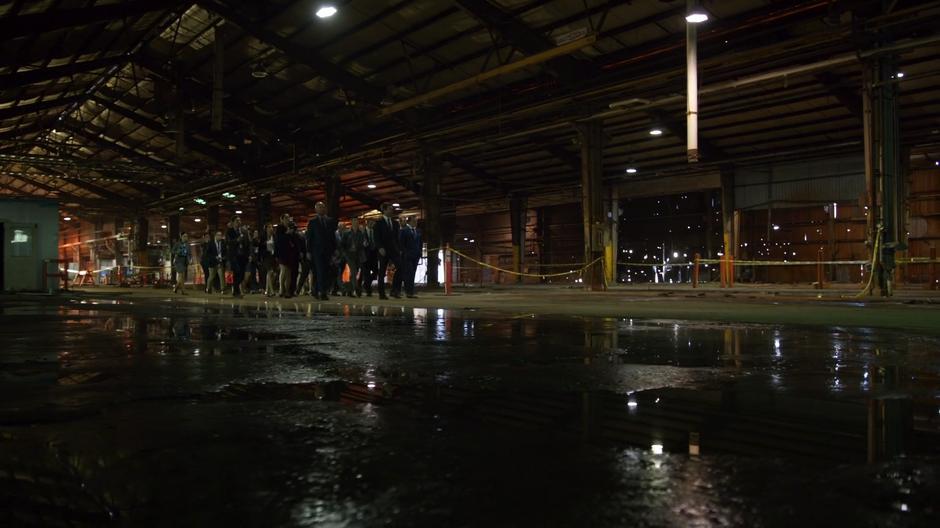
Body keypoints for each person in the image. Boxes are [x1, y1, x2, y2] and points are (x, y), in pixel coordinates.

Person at [306, 201, 338, 301]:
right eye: (320, 207)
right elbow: (309, 238)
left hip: (328, 250)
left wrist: (334, 250)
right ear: (316, 210)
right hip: (317, 251)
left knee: (327, 271)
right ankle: (322, 292)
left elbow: (333, 237)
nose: (322, 209)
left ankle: (316, 290)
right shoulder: (312, 222)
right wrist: (308, 251)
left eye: (323, 207)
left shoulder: (330, 221)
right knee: (319, 271)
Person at [374, 202, 401, 299]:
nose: (391, 210)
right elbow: (376, 237)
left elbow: (397, 238)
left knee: (401, 268)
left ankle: (395, 290)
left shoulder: (395, 223)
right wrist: (380, 247)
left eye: (392, 209)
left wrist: (399, 249)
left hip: (394, 250)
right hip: (383, 250)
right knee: (382, 272)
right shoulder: (378, 223)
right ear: (384, 210)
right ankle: (382, 293)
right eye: (389, 209)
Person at [338, 219, 365, 296]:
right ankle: (356, 288)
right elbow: (342, 244)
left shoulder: (360, 233)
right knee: (353, 271)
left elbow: (361, 245)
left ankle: (349, 290)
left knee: (355, 273)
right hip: (349, 255)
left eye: (357, 222)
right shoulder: (347, 233)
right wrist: (344, 253)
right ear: (352, 223)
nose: (356, 223)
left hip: (357, 255)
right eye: (354, 222)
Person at [400, 216, 421, 298]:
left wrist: (419, 253)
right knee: (409, 273)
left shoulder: (418, 231)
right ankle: (408, 291)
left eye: (416, 221)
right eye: (414, 221)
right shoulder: (404, 230)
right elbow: (401, 243)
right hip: (408, 255)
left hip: (416, 255)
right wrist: (405, 253)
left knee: (413, 273)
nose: (416, 222)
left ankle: (411, 291)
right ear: (409, 222)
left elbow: (420, 243)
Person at [358, 219, 377, 297]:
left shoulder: (375, 232)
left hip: (374, 255)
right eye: (371, 223)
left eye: (374, 224)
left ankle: (364, 283)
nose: (373, 225)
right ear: (368, 223)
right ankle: (368, 290)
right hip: (365, 256)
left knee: (375, 272)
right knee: (366, 273)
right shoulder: (362, 232)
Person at [205, 231, 227, 295]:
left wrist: (224, 257)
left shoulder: (223, 242)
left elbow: (225, 251)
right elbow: (208, 254)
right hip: (212, 262)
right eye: (218, 235)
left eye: (221, 235)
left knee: (221, 276)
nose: (220, 237)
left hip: (220, 262)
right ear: (215, 236)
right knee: (211, 276)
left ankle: (223, 289)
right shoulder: (211, 243)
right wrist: (215, 257)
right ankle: (208, 288)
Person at [261, 223, 277, 297]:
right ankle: (272, 291)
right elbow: (260, 246)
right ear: (266, 229)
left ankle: (267, 290)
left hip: (273, 257)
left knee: (272, 274)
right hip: (266, 257)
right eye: (269, 227)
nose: (271, 229)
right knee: (270, 272)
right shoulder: (263, 237)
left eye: (271, 227)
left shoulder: (274, 236)